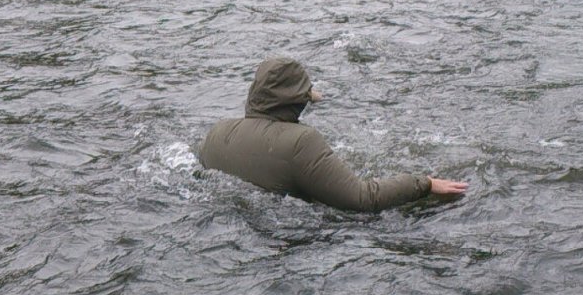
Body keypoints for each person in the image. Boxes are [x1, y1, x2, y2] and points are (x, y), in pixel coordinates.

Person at [198, 57, 468, 212]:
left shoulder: (217, 132)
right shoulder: (301, 142)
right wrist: (423, 184)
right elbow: (362, 199)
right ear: (296, 101)